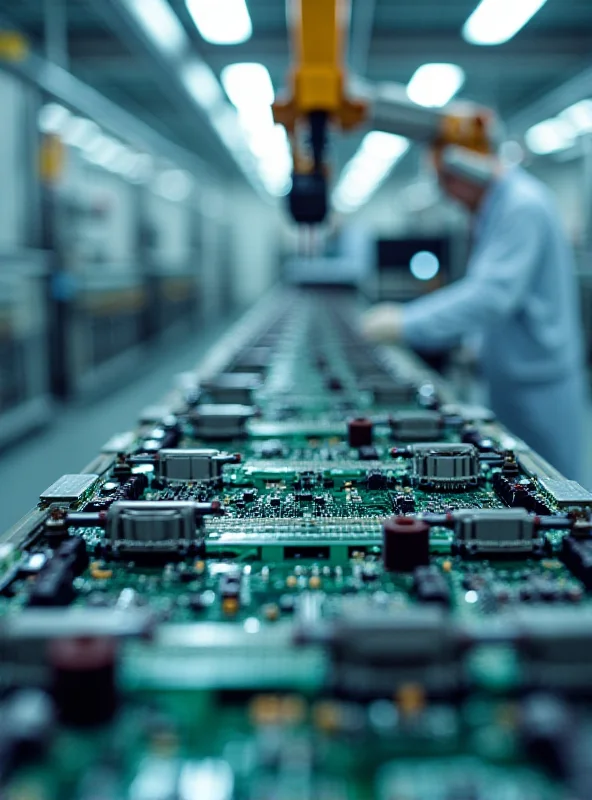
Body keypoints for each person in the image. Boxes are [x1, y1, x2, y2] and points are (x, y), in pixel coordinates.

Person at [361, 115, 587, 483]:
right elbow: (507, 291)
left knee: (555, 494)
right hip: (512, 375)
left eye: (446, 182)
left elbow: (493, 295)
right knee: (519, 487)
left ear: (464, 169)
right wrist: (474, 342)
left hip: (539, 383)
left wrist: (406, 322)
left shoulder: (521, 205)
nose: (448, 194)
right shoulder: (497, 207)